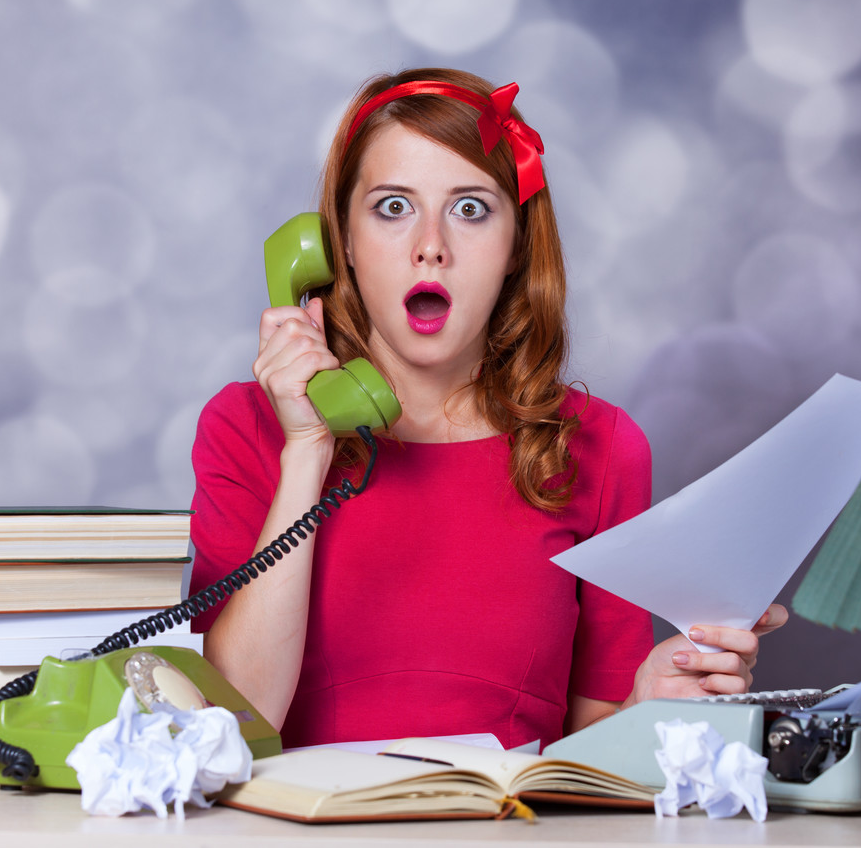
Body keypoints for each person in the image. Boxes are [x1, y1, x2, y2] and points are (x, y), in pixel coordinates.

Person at [188, 67, 787, 751]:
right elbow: (234, 723)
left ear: (514, 249)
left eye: (471, 208)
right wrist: (307, 450)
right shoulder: (245, 428)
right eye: (392, 207)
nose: (431, 245)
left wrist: (652, 703)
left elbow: (590, 752)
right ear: (339, 244)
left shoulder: (601, 446)